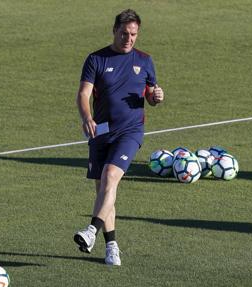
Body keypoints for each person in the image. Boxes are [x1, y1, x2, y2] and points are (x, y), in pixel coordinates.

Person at [73, 9, 164, 266]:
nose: (129, 38)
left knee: (111, 177)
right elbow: (83, 94)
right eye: (124, 33)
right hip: (100, 132)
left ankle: (91, 231)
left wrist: (156, 97)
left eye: (133, 34)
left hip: (130, 132)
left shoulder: (145, 60)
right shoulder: (96, 59)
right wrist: (87, 118)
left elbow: (151, 93)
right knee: (104, 190)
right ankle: (111, 245)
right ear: (114, 30)